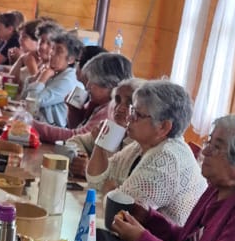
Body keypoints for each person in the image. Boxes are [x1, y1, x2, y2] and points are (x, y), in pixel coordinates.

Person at [111, 114, 235, 241]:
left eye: (217, 147)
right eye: (209, 142)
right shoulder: (220, 184)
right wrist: (149, 219)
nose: (205, 151)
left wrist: (142, 240)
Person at [86, 79, 204, 226]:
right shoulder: (140, 146)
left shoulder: (168, 158)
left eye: (137, 114)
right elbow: (96, 182)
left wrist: (110, 189)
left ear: (163, 127)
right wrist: (100, 143)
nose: (129, 117)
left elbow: (119, 213)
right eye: (132, 110)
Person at [34, 51, 132, 144]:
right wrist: (74, 111)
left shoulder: (110, 110)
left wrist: (33, 125)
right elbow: (76, 128)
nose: (88, 86)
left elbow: (76, 137)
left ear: (110, 84)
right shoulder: (98, 104)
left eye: (93, 81)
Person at [64, 76, 139, 178]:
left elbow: (122, 179)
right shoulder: (111, 129)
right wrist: (82, 157)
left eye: (129, 103)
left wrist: (91, 167)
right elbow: (74, 141)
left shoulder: (140, 142)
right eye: (117, 100)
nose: (119, 108)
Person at [31, 30, 85, 128]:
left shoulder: (69, 80)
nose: (51, 53)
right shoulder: (54, 72)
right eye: (52, 48)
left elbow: (32, 102)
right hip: (40, 125)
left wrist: (42, 79)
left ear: (71, 59)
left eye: (59, 51)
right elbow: (24, 96)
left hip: (53, 131)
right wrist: (38, 76)